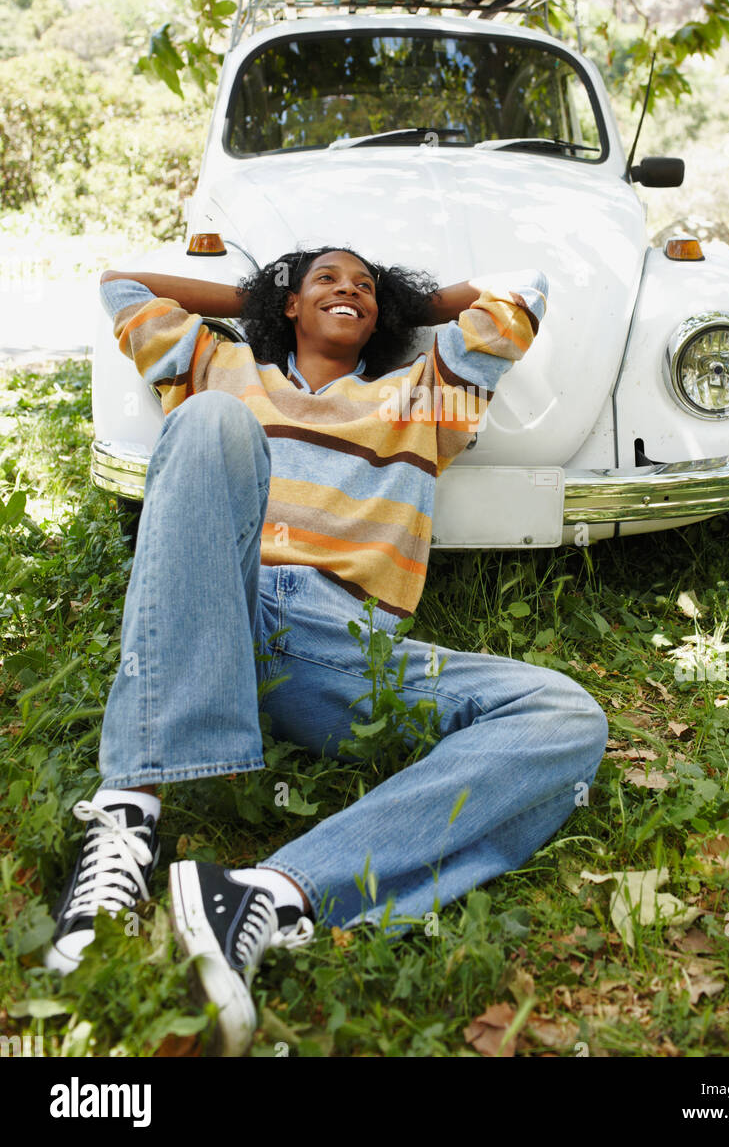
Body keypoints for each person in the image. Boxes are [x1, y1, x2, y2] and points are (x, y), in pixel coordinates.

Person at [44, 246, 607, 1055]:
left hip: (338, 647)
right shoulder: (220, 366)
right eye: (327, 281)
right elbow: (119, 287)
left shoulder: (425, 396)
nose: (350, 291)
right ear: (289, 307)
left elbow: (525, 286)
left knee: (564, 714)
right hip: (216, 604)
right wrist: (262, 296)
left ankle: (266, 896)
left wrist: (408, 305)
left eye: (366, 288)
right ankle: (129, 822)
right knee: (209, 418)